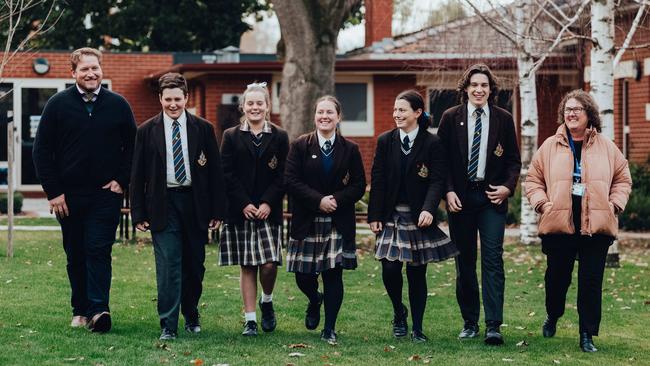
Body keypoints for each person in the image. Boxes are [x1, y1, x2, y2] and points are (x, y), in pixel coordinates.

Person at [33, 47, 136, 333]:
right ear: (73, 73)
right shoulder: (57, 104)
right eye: (84, 69)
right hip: (68, 197)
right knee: (75, 252)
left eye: (95, 68)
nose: (91, 73)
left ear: (101, 69)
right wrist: (54, 192)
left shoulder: (118, 105)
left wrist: (121, 180)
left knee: (98, 249)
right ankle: (79, 309)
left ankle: (99, 310)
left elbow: (133, 146)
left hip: (106, 195)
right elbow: (42, 152)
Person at [525, 89, 632, 352]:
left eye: (577, 109)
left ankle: (587, 334)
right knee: (557, 278)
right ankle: (553, 314)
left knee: (591, 281)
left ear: (589, 114)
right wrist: (542, 203)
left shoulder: (606, 146)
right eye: (567, 110)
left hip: (596, 222)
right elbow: (533, 180)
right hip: (560, 219)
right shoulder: (550, 145)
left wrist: (614, 204)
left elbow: (623, 178)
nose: (571, 114)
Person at [130, 72, 226, 340]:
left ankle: (191, 313)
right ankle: (168, 325)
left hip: (195, 204)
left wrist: (218, 210)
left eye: (178, 99)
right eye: (168, 99)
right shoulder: (146, 131)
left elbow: (216, 173)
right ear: (160, 99)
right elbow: (136, 175)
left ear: (186, 98)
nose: (173, 104)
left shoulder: (203, 129)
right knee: (169, 264)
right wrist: (137, 212)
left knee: (194, 266)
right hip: (163, 204)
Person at [437, 64, 521, 345]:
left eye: (484, 85)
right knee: (465, 262)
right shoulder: (450, 118)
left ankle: (493, 325)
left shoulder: (503, 119)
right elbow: (442, 161)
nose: (479, 89)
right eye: (474, 85)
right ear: (465, 88)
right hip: (460, 199)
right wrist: (448, 192)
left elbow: (513, 161)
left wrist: (507, 187)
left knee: (493, 259)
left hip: (490, 199)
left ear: (491, 90)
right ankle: (470, 321)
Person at [368, 90, 458, 343]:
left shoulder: (433, 143)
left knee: (417, 273)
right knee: (389, 267)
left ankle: (417, 328)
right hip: (392, 215)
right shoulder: (386, 141)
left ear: (417, 113)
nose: (396, 114)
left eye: (402, 110)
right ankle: (399, 311)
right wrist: (375, 214)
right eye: (395, 110)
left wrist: (430, 208)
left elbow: (437, 179)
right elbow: (378, 179)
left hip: (419, 215)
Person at [284, 96, 366, 344]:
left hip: (337, 221)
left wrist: (337, 200)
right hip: (307, 219)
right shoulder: (300, 145)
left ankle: (329, 328)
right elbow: (290, 180)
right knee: (303, 275)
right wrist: (318, 200)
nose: (325, 116)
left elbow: (359, 184)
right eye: (320, 112)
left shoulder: (350, 149)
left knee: (333, 274)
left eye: (330, 112)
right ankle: (313, 299)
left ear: (338, 117)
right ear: (315, 116)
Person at [219, 82, 289, 337]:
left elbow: (284, 174)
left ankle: (267, 301)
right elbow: (226, 173)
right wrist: (245, 203)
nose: (255, 107)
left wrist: (268, 202)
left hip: (268, 211)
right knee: (248, 265)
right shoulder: (231, 136)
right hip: (241, 210)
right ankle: (250, 320)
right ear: (243, 107)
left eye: (260, 103)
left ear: (267, 106)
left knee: (269, 264)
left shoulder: (280, 136)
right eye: (250, 103)